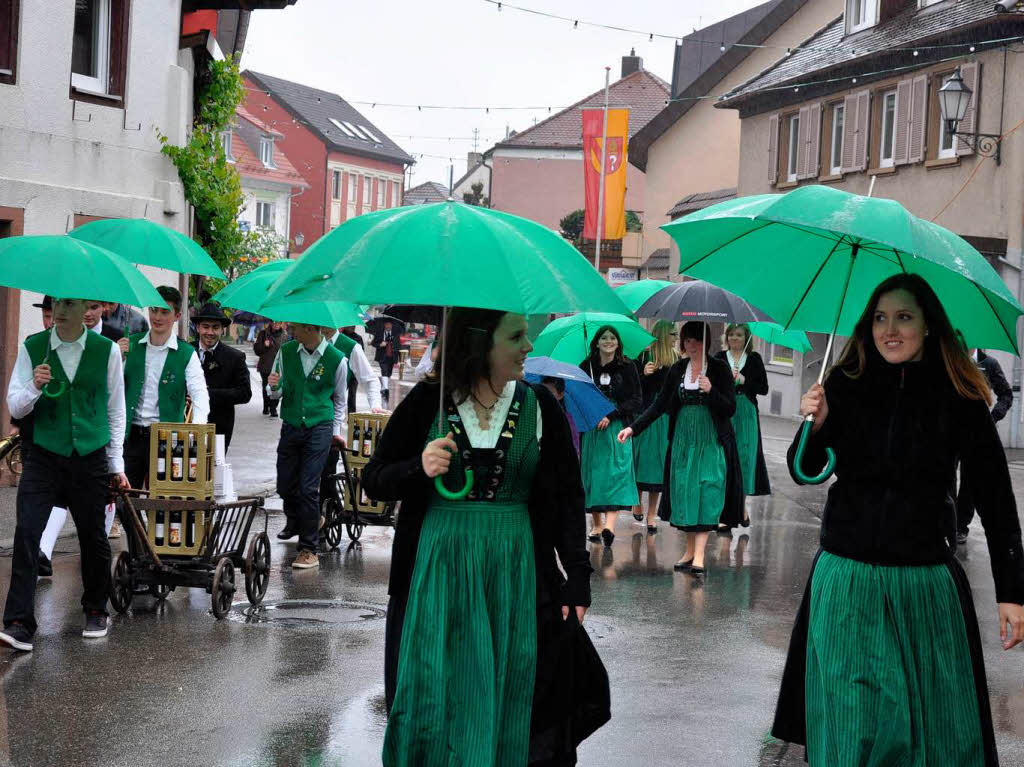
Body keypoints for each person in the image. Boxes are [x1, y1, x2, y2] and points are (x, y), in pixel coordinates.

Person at [772, 274, 1024, 767]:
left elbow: (995, 496)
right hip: (848, 583)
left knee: (923, 737)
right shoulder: (844, 382)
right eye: (881, 318)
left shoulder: (960, 394)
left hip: (924, 588)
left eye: (904, 317)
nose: (890, 329)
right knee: (854, 722)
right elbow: (804, 470)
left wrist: (1012, 590)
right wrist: (816, 426)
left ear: (929, 326)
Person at [363, 308, 606, 767]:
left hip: (515, 570)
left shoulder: (540, 406)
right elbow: (374, 480)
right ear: (480, 343)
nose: (529, 347)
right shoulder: (426, 403)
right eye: (517, 337)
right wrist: (419, 467)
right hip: (438, 571)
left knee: (514, 685)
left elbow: (567, 496)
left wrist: (577, 574)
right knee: (440, 688)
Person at [0, 298, 128, 651]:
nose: (60, 309)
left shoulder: (107, 352)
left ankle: (95, 608)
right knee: (27, 532)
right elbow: (14, 405)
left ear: (86, 307)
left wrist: (115, 464)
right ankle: (18, 622)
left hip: (89, 455)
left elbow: (116, 410)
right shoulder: (33, 347)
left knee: (93, 536)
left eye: (69, 303)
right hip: (42, 454)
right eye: (56, 303)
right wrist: (35, 387)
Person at [618, 321, 744, 576]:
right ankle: (689, 552)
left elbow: (730, 408)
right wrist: (634, 428)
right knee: (686, 492)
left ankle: (699, 556)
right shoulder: (677, 369)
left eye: (697, 340)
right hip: (683, 442)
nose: (692, 345)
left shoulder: (718, 369)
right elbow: (659, 405)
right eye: (687, 340)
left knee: (707, 490)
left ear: (706, 342)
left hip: (710, 441)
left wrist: (711, 391)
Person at [266, 322, 348, 569]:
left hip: (319, 426)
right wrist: (273, 386)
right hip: (291, 423)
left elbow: (340, 400)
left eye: (297, 326)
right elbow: (275, 394)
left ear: (311, 328)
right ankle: (301, 519)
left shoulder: (337, 359)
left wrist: (335, 432)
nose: (291, 329)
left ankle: (308, 549)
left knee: (308, 487)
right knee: (284, 482)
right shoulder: (287, 351)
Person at [122, 286, 210, 490]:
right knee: (124, 497)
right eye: (154, 310)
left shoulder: (186, 354)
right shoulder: (131, 345)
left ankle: (149, 522)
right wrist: (117, 357)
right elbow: (112, 388)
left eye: (164, 311)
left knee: (163, 498)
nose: (157, 317)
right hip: (131, 434)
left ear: (177, 315)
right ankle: (137, 525)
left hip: (166, 438)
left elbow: (200, 395)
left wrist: (195, 434)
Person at [580, 326, 641, 546]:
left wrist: (611, 414)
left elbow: (636, 399)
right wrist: (594, 413)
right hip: (593, 427)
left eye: (612, 338)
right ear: (596, 342)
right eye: (603, 338)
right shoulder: (586, 367)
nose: (608, 341)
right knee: (593, 474)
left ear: (618, 343)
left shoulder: (628, 366)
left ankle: (609, 527)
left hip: (617, 427)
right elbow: (578, 397)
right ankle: (596, 524)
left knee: (615, 474)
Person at [714, 323, 771, 528]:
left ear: (746, 338)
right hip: (725, 411)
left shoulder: (754, 359)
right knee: (725, 458)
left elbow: (763, 388)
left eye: (739, 335)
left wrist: (745, 380)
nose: (734, 339)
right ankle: (724, 511)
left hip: (746, 412)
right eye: (731, 335)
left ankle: (741, 507)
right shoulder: (719, 358)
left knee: (745, 459)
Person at [957, 346, 1013, 544]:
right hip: (947, 430)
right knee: (942, 476)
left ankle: (960, 526)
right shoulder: (947, 359)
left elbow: (1006, 394)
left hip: (975, 432)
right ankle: (944, 522)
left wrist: (993, 417)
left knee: (969, 481)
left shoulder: (988, 364)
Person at [630, 321, 678, 534]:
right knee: (641, 461)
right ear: (662, 335)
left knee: (658, 467)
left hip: (664, 417)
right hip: (645, 416)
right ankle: (636, 501)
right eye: (673, 333)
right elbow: (633, 387)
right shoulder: (643, 357)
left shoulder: (677, 360)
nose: (676, 337)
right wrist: (644, 375)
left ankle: (652, 514)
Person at [192, 303, 251, 452]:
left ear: (222, 329)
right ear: (198, 327)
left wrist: (207, 394)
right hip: (187, 425)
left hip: (219, 427)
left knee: (214, 472)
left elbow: (245, 393)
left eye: (215, 327)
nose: (210, 332)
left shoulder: (235, 357)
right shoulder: (186, 352)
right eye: (205, 327)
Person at [255, 321, 286, 417]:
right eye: (274, 322)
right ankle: (266, 406)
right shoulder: (263, 333)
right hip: (266, 365)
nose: (276, 324)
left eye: (279, 322)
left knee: (276, 386)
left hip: (278, 366)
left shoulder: (284, 335)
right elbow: (257, 351)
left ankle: (273, 408)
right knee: (266, 387)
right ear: (271, 323)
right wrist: (264, 345)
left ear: (281, 324)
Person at [374, 320, 400, 407]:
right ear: (384, 325)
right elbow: (374, 343)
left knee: (389, 373)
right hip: (382, 356)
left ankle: (384, 386)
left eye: (389, 324)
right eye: (387, 324)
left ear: (391, 325)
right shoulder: (379, 333)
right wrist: (380, 345)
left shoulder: (395, 334)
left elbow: (398, 345)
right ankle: (385, 388)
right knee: (384, 370)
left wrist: (399, 358)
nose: (388, 326)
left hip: (391, 356)